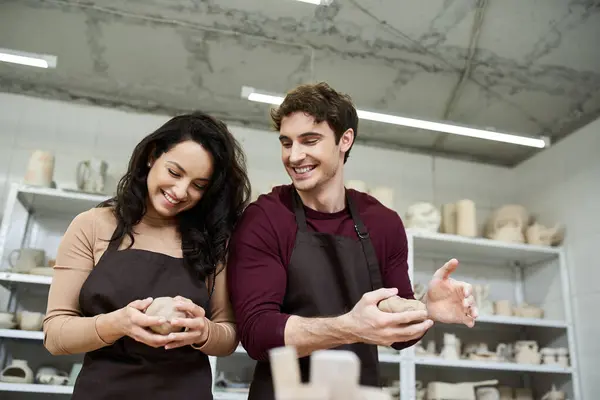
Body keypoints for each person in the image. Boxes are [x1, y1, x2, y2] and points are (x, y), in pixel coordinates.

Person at [226, 82, 478, 399]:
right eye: (286, 143)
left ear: (345, 140)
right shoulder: (265, 218)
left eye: (310, 141)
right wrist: (350, 326)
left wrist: (425, 309)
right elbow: (257, 333)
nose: (294, 156)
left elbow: (398, 335)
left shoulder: (383, 222)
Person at [43, 111, 251, 400]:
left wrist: (202, 332)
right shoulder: (92, 225)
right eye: (174, 173)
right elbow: (55, 335)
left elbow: (228, 335)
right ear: (153, 155)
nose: (180, 191)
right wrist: (118, 323)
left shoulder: (214, 240)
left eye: (198, 185)